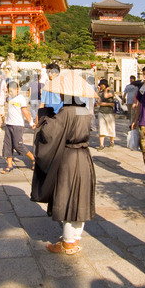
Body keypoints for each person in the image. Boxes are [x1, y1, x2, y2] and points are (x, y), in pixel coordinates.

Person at [31, 71, 97, 256]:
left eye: (61, 93)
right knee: (80, 196)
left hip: (69, 158)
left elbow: (49, 134)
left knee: (67, 197)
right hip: (84, 156)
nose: (60, 95)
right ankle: (75, 237)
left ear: (66, 93)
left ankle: (67, 243)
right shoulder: (84, 109)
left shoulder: (65, 112)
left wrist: (45, 116)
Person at [1, 81, 35, 174]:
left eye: (12, 91)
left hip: (18, 125)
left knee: (18, 145)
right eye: (9, 91)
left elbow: (25, 111)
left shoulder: (21, 98)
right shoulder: (10, 98)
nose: (11, 93)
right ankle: (9, 165)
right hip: (8, 124)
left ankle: (33, 158)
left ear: (17, 89)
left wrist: (31, 123)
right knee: (8, 145)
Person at [97, 79, 115, 151]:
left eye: (102, 84)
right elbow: (99, 103)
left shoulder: (111, 91)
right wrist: (109, 104)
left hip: (110, 112)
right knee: (102, 128)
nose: (101, 86)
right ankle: (101, 144)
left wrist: (106, 90)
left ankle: (112, 141)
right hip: (101, 112)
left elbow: (106, 96)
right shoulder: (99, 93)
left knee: (111, 128)